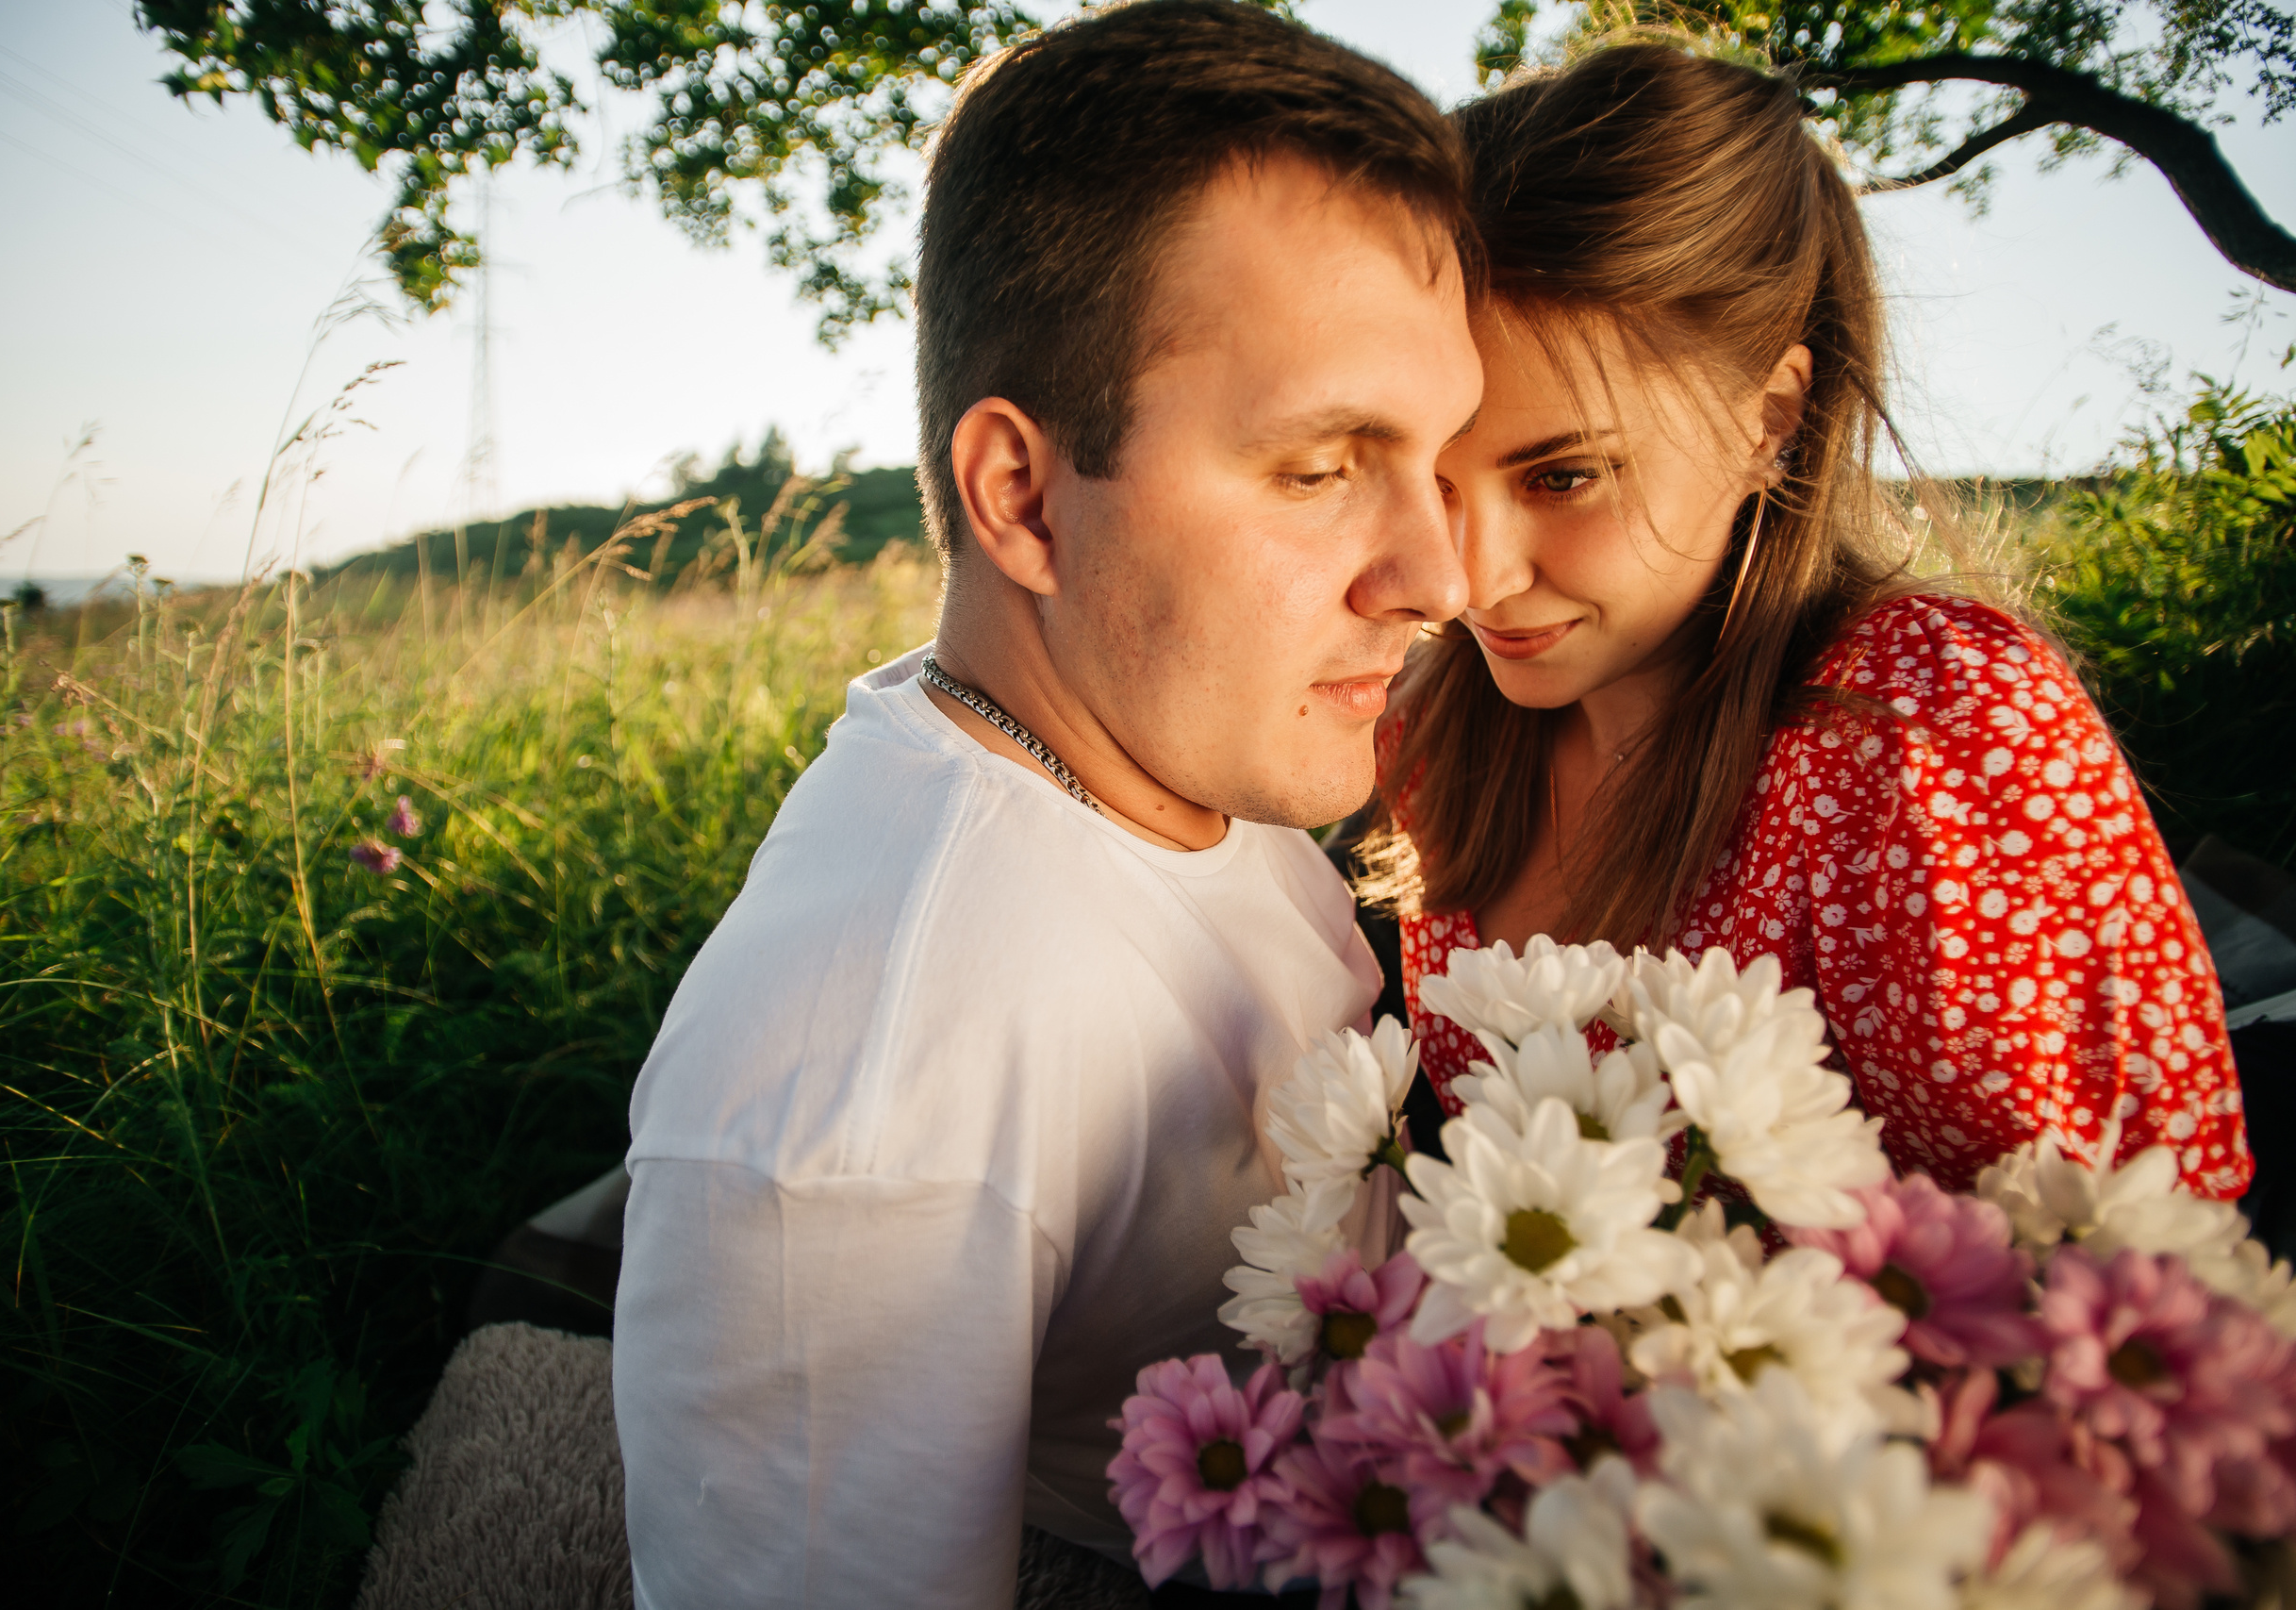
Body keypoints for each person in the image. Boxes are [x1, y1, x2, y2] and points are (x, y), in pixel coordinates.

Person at [612, 4, 1482, 1604]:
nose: (1442, 574)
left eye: (1440, 459)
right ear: (1023, 496)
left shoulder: (1167, 732)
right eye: (1316, 468)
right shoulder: (878, 1102)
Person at [1365, 42, 2252, 1201]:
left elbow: (2116, 1291)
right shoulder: (1435, 738)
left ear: (1769, 415)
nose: (1462, 578)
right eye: (1428, 475)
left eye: (1564, 476)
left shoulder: (1921, 732)